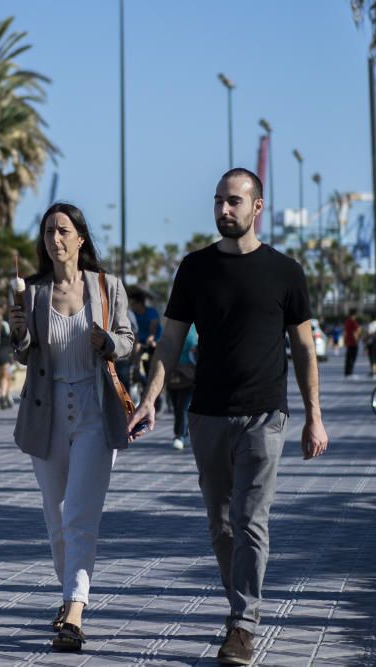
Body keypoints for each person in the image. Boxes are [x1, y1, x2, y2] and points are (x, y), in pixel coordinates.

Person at [128, 168, 328, 666]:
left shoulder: (286, 271)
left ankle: (243, 623)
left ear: (257, 207)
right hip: (208, 414)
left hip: (265, 415)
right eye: (218, 201)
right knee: (221, 526)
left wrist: (314, 417)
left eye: (234, 201)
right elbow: (171, 340)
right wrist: (151, 398)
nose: (223, 210)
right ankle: (238, 602)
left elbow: (304, 349)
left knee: (250, 521)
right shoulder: (195, 268)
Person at [9, 202, 134, 653]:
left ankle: (75, 609)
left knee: (80, 513)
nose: (55, 239)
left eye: (63, 231)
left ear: (81, 238)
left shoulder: (107, 286)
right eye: (47, 232)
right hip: (46, 411)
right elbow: (24, 354)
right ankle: (68, 594)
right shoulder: (36, 292)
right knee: (55, 515)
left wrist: (109, 343)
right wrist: (18, 330)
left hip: (94, 408)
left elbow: (128, 339)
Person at [167, 324, 198, 450]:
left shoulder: (196, 327)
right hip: (173, 372)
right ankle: (183, 433)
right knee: (176, 407)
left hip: (188, 374)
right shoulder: (171, 326)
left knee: (183, 407)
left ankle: (179, 435)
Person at [343, 310, 360, 377]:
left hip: (348, 342)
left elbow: (345, 332)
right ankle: (350, 371)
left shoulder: (347, 322)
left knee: (348, 357)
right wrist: (356, 341)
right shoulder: (354, 322)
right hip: (353, 343)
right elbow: (354, 333)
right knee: (353, 358)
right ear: (354, 315)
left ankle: (347, 371)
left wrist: (345, 341)